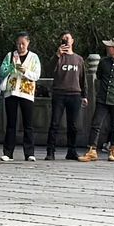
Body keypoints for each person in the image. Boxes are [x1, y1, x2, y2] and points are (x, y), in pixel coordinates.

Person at [81, 38, 114, 162]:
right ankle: (92, 150)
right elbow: (99, 77)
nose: (107, 48)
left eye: (110, 46)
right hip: (102, 98)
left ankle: (113, 149)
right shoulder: (103, 62)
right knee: (96, 124)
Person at [0, 32, 40, 161]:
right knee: (11, 123)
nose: (20, 46)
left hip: (27, 93)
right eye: (18, 43)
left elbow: (36, 75)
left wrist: (24, 70)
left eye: (23, 43)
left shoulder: (33, 57)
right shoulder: (10, 55)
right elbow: (2, 71)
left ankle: (29, 153)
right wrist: (12, 67)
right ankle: (8, 152)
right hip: (11, 92)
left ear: (28, 43)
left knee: (28, 124)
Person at [43, 32, 85, 160]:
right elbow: (48, 70)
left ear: (72, 41)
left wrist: (84, 95)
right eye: (63, 39)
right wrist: (57, 55)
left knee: (73, 125)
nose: (66, 40)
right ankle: (50, 151)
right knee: (54, 123)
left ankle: (72, 150)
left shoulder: (79, 59)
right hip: (59, 94)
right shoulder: (58, 58)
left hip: (75, 94)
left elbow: (82, 78)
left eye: (68, 38)